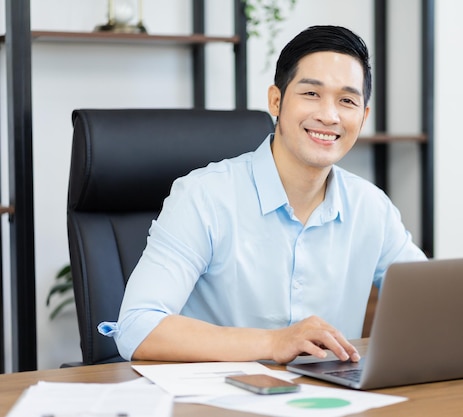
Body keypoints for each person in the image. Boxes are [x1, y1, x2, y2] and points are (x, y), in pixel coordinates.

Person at [99, 25, 427, 365]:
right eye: (311, 94)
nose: (329, 116)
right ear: (276, 100)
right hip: (217, 401)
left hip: (330, 402)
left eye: (347, 101)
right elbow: (138, 327)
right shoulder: (204, 196)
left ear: (363, 117)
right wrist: (274, 343)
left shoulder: (371, 207)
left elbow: (432, 302)